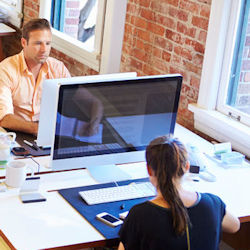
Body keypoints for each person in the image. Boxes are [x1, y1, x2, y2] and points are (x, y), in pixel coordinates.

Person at [118, 135, 240, 250]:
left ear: (149, 170)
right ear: (187, 167)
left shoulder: (139, 215)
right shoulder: (213, 203)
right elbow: (235, 226)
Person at [0, 18, 70, 135]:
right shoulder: (6, 70)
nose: (44, 49)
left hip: (48, 131)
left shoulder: (58, 68)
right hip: (15, 132)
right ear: (23, 43)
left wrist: (95, 109)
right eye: (38, 43)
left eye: (47, 43)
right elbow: (4, 118)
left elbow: (75, 97)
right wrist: (37, 129)